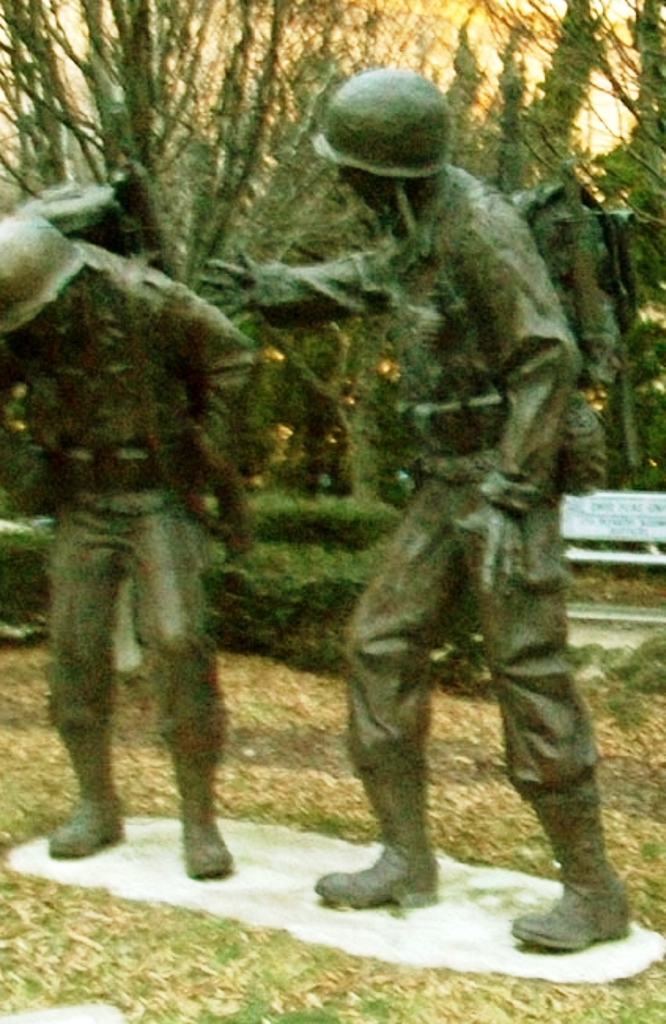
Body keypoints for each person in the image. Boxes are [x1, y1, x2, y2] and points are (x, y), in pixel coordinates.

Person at [211, 68, 629, 950]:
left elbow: (544, 360)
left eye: (348, 167)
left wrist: (515, 499)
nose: (339, 181)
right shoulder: (419, 223)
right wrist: (277, 286)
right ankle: (406, 857)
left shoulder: (478, 227)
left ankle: (593, 893)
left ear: (388, 169)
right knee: (380, 644)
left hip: (504, 484)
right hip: (449, 483)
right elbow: (377, 278)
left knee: (528, 671)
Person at [0, 209, 255, 880]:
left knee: (177, 638)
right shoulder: (17, 312)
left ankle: (199, 822)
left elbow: (232, 354)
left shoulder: (148, 299)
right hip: (82, 500)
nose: (36, 333)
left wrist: (210, 449)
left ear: (71, 282)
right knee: (75, 648)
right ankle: (96, 805)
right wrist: (33, 481)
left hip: (157, 495)